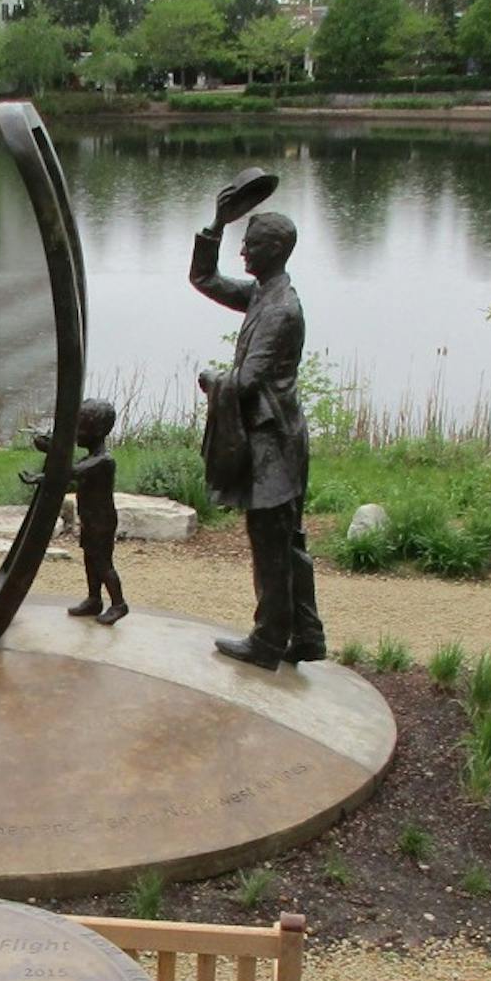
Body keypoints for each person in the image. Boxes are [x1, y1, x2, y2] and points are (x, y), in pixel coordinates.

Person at [190, 197, 326, 670]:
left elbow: (246, 383)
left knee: (272, 542)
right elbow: (204, 279)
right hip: (278, 439)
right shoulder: (263, 294)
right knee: (287, 541)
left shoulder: (278, 310)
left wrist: (211, 380)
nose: (242, 254)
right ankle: (307, 635)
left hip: (274, 444)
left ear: (272, 250)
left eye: (249, 246)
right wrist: (216, 225)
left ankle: (269, 641)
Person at [20, 397, 127, 625]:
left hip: (102, 522)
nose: (76, 433)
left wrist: (40, 476)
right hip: (90, 519)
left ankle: (119, 604)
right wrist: (50, 447)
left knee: (103, 563)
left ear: (95, 431)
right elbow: (70, 471)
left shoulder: (103, 461)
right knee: (90, 559)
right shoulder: (91, 457)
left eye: (81, 428)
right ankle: (94, 599)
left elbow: (69, 473)